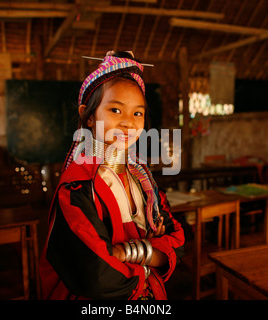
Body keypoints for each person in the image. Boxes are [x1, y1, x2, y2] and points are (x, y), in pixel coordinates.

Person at [39, 50, 185, 300]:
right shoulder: (77, 188)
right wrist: (153, 256)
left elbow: (179, 242)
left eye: (137, 113)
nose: (129, 123)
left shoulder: (143, 180)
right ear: (88, 115)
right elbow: (97, 277)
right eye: (116, 110)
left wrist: (127, 253)